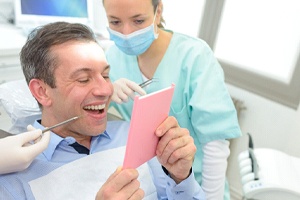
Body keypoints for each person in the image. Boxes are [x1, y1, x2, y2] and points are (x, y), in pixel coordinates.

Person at [0, 22, 205, 200]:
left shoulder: (132, 135)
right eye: (83, 79)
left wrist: (180, 178)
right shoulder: (13, 179)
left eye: (106, 76)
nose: (106, 90)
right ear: (42, 92)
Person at [102, 0, 242, 199]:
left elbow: (215, 145)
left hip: (197, 183)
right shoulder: (113, 56)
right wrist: (108, 93)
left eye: (138, 21)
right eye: (115, 22)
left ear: (158, 12)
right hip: (149, 183)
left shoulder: (194, 56)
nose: (127, 33)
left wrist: (210, 197)